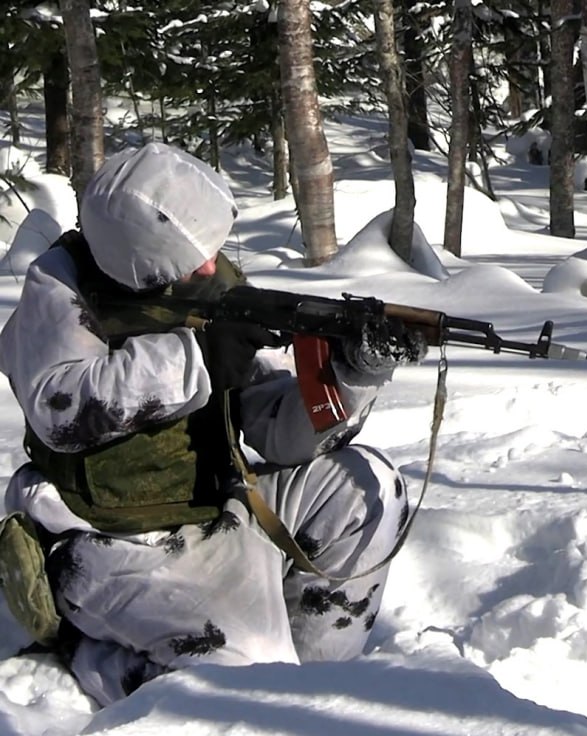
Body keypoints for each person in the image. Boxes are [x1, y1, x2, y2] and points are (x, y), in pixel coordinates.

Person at [0, 143, 416, 705]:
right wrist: (195, 359)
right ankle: (91, 655)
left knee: (365, 489)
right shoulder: (59, 288)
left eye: (211, 248)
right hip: (105, 541)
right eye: (192, 255)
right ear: (133, 253)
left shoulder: (208, 277)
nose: (208, 266)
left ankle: (320, 691)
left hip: (219, 509)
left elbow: (272, 427)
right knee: (245, 678)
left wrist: (351, 375)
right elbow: (61, 408)